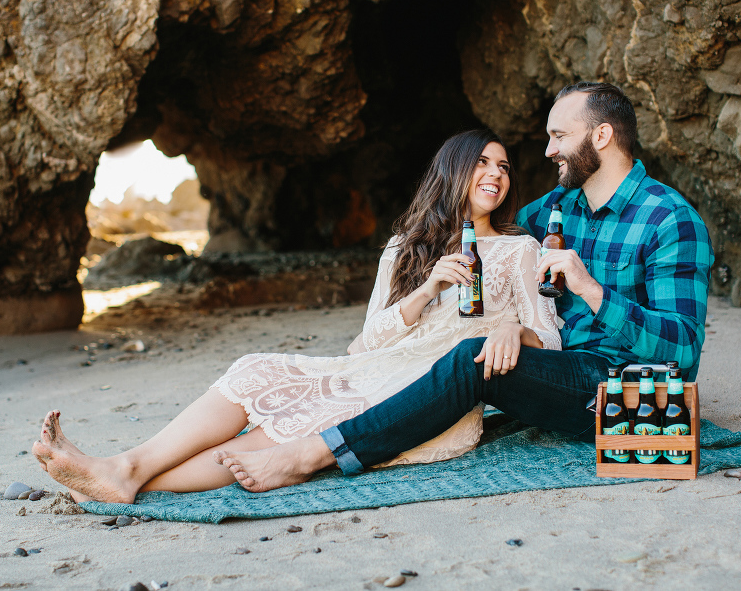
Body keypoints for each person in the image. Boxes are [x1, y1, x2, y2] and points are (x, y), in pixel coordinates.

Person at [213, 81, 715, 492]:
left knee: (469, 363)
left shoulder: (670, 220)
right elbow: (498, 263)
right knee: (457, 357)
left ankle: (314, 454)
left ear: (601, 136)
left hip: (630, 395)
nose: (548, 149)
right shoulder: (544, 214)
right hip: (555, 369)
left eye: (559, 135)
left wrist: (592, 291)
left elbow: (684, 350)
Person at [32, 129, 561, 503]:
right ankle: (126, 467)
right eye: (482, 163)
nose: (496, 174)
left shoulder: (519, 251)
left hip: (432, 390)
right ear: (453, 171)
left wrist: (511, 326)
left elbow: (552, 345)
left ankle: (127, 476)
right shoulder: (405, 249)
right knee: (255, 370)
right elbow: (368, 342)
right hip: (378, 366)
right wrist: (427, 288)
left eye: (504, 167)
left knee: (289, 425)